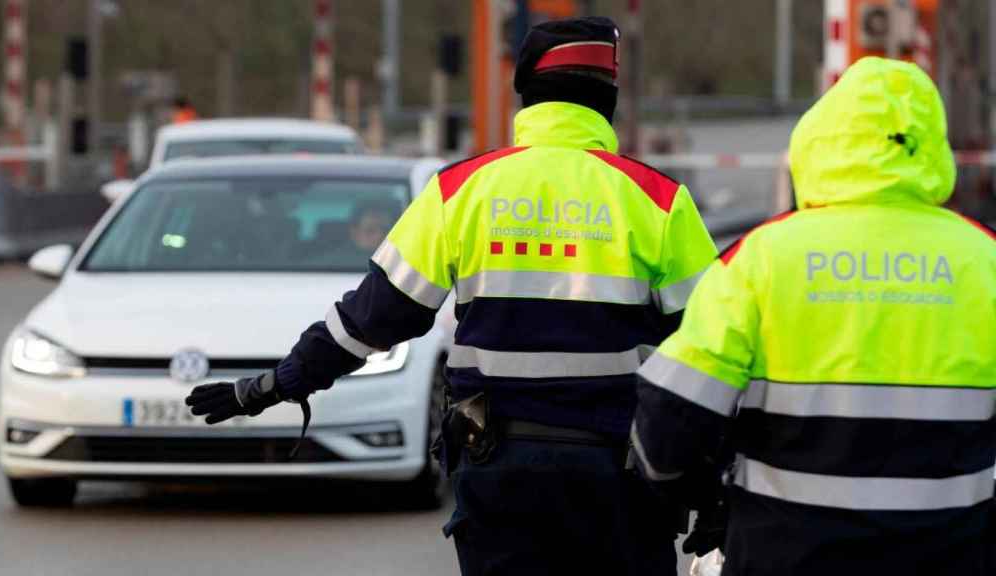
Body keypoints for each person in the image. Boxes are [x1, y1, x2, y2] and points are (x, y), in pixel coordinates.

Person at [187, 16, 717, 575]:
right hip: (619, 477)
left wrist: (276, 384)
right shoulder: (659, 201)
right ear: (606, 98)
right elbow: (711, 358)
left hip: (499, 472)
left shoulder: (460, 190)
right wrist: (714, 487)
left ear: (527, 94)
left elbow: (371, 318)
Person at [630, 57, 995, 575]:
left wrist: (694, 495)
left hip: (785, 556)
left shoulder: (760, 259)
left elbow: (668, 424)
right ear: (931, 147)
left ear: (819, 141)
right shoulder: (984, 261)